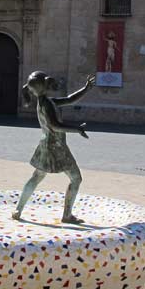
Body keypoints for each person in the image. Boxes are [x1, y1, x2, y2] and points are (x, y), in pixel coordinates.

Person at [13, 71, 95, 224]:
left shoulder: (45, 101)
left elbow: (70, 99)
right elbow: (54, 126)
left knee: (36, 177)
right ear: (45, 85)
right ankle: (67, 215)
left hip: (45, 145)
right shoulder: (47, 104)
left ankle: (18, 209)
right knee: (76, 178)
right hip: (57, 147)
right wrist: (77, 129)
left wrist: (85, 89)